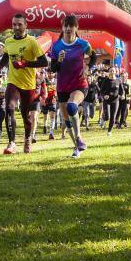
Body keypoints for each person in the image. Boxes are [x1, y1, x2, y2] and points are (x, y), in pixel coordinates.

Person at [0, 14, 48, 154]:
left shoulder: (32, 42)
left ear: (26, 26)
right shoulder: (8, 41)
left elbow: (44, 62)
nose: (16, 27)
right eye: (14, 24)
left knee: (26, 116)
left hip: (29, 85)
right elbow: (5, 57)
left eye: (19, 24)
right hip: (13, 81)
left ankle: (27, 138)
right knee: (9, 107)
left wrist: (26, 63)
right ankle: (11, 143)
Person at [48, 15, 95, 157]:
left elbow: (93, 56)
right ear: (62, 28)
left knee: (72, 106)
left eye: (71, 26)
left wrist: (88, 68)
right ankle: (77, 147)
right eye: (66, 26)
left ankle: (79, 137)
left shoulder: (83, 44)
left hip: (79, 84)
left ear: (76, 28)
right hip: (62, 86)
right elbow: (53, 69)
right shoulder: (56, 46)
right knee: (66, 121)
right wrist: (59, 61)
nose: (68, 28)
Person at [100, 66, 123, 137]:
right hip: (107, 101)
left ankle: (109, 131)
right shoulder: (106, 80)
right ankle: (103, 118)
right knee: (107, 117)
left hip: (115, 101)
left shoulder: (118, 81)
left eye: (113, 71)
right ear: (108, 72)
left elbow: (122, 91)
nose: (112, 72)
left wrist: (122, 95)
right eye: (110, 71)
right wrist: (104, 95)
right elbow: (101, 91)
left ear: (115, 72)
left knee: (113, 118)